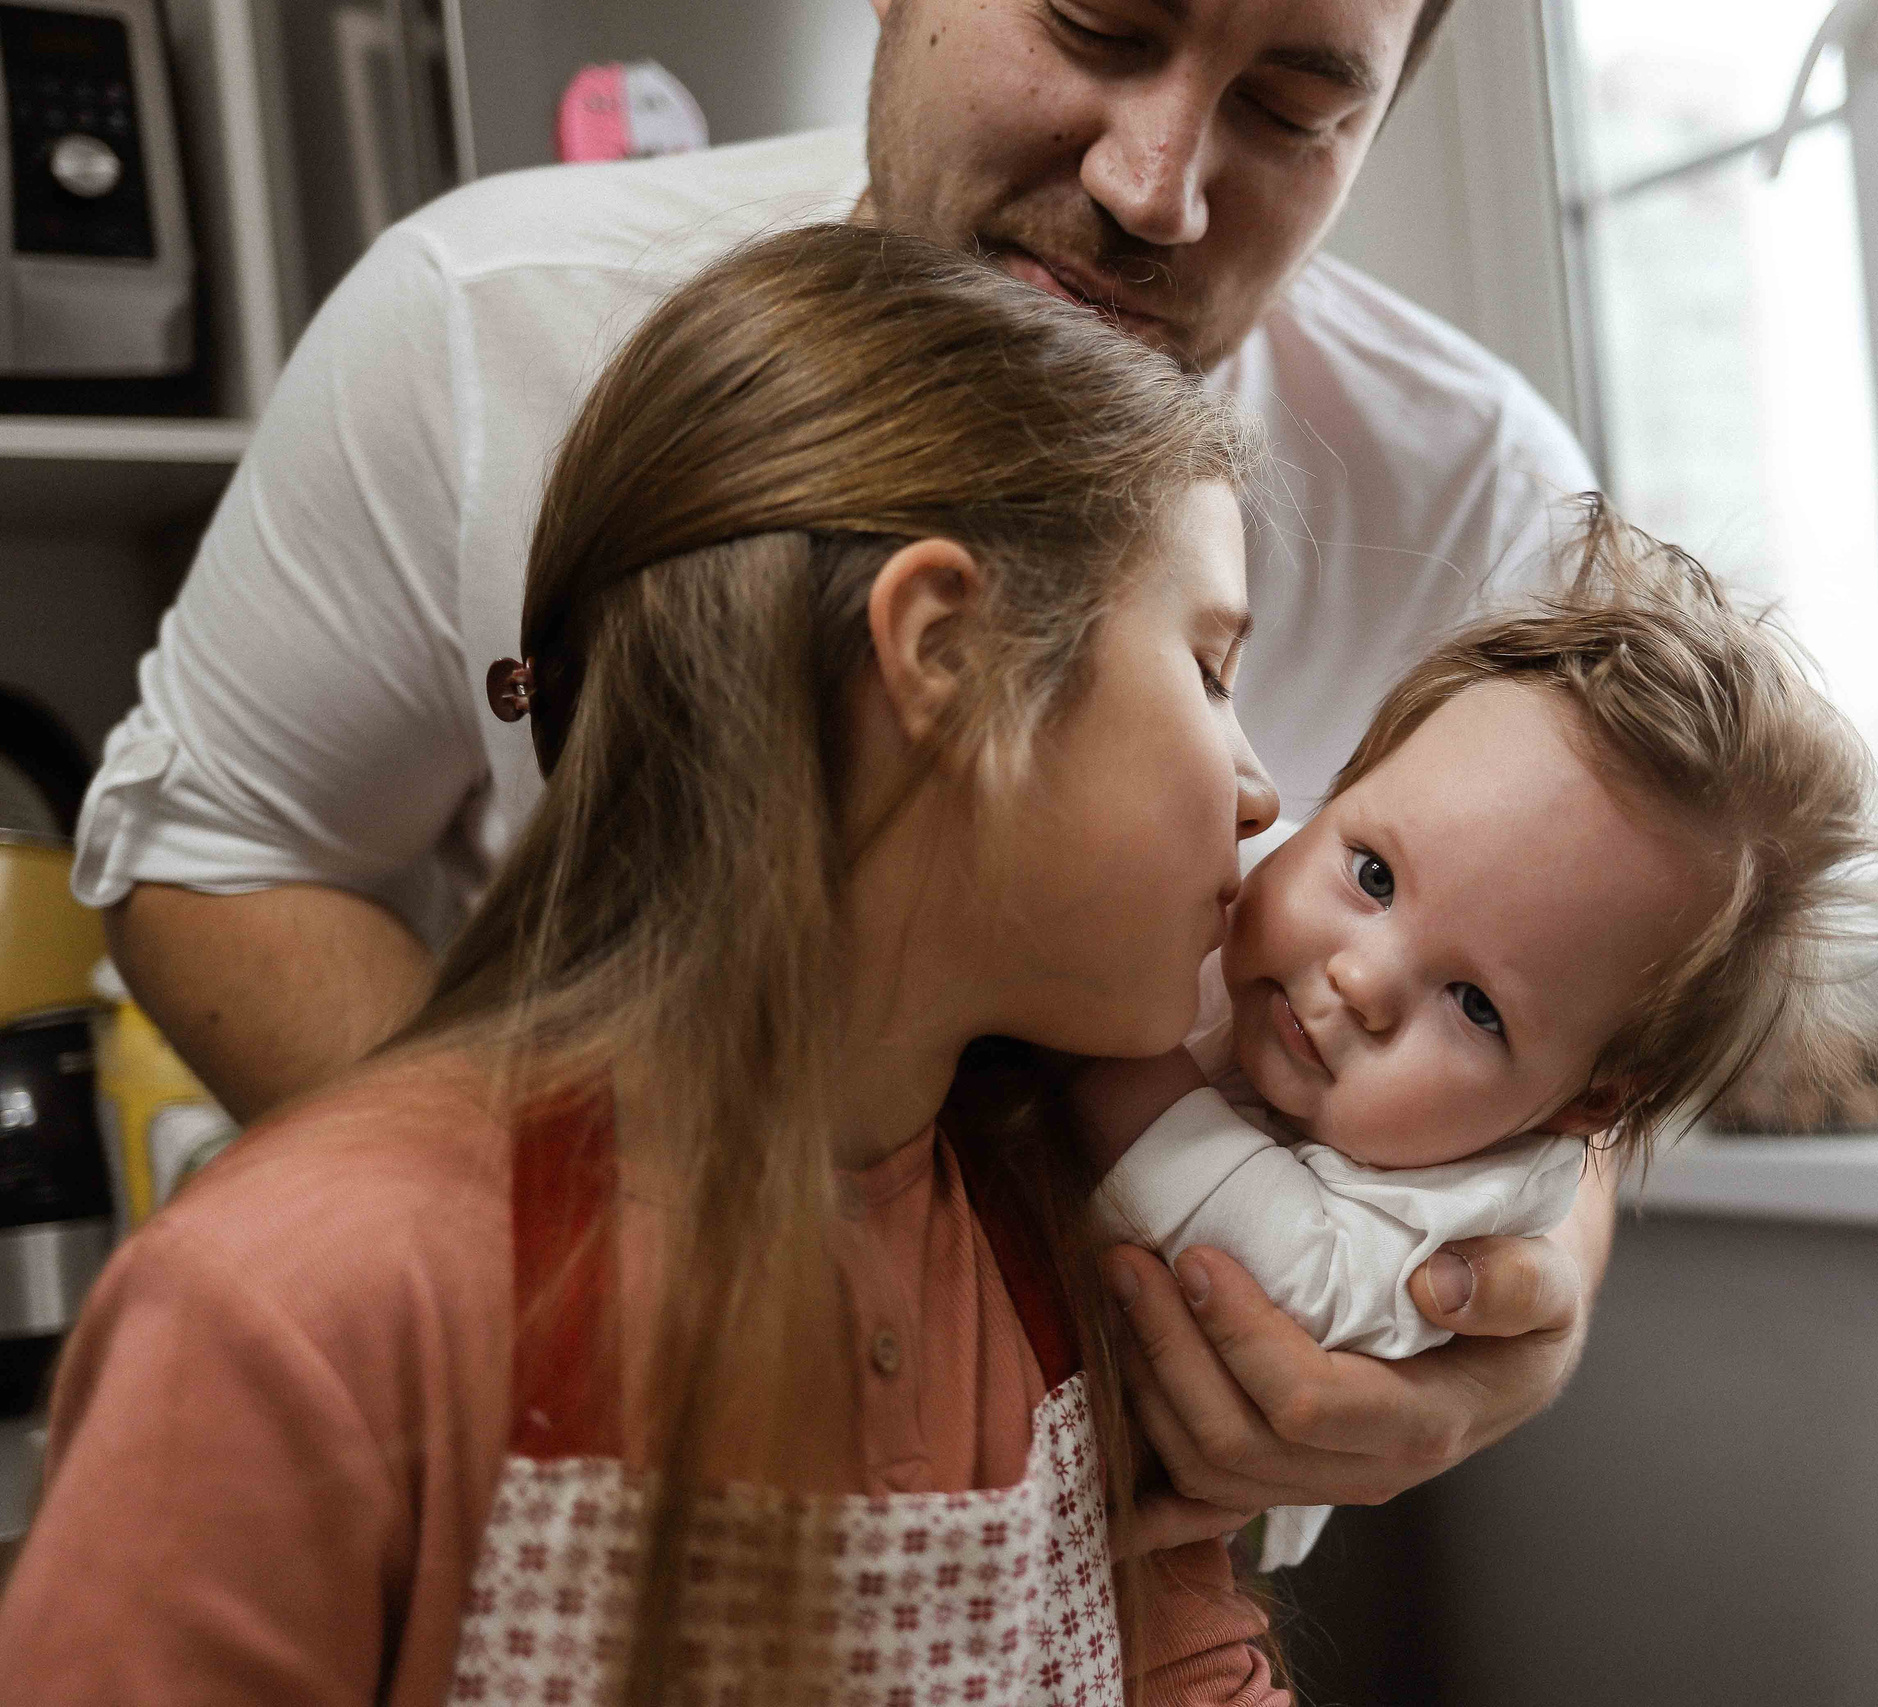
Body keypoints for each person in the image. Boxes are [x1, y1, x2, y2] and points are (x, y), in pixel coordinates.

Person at [73, 0, 1609, 1542]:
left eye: (1290, 111)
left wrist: (1505, 1326)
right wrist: (582, 1277)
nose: (1157, 185)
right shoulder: (489, 320)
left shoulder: (1486, 501)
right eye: (1098, 22)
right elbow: (212, 838)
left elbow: (1595, 1019)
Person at [2, 226, 1300, 1705]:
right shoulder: (293, 1308)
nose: (1259, 789)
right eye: (1206, 667)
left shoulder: (1067, 1230)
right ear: (946, 656)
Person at [1079, 501, 1878, 1569]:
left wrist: (1117, 1080)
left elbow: (1320, 1287)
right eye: (1371, 873)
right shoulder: (1223, 871)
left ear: (1583, 1103)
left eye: (1475, 1005)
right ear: (1340, 785)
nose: (1362, 978)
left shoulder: (1493, 1190)